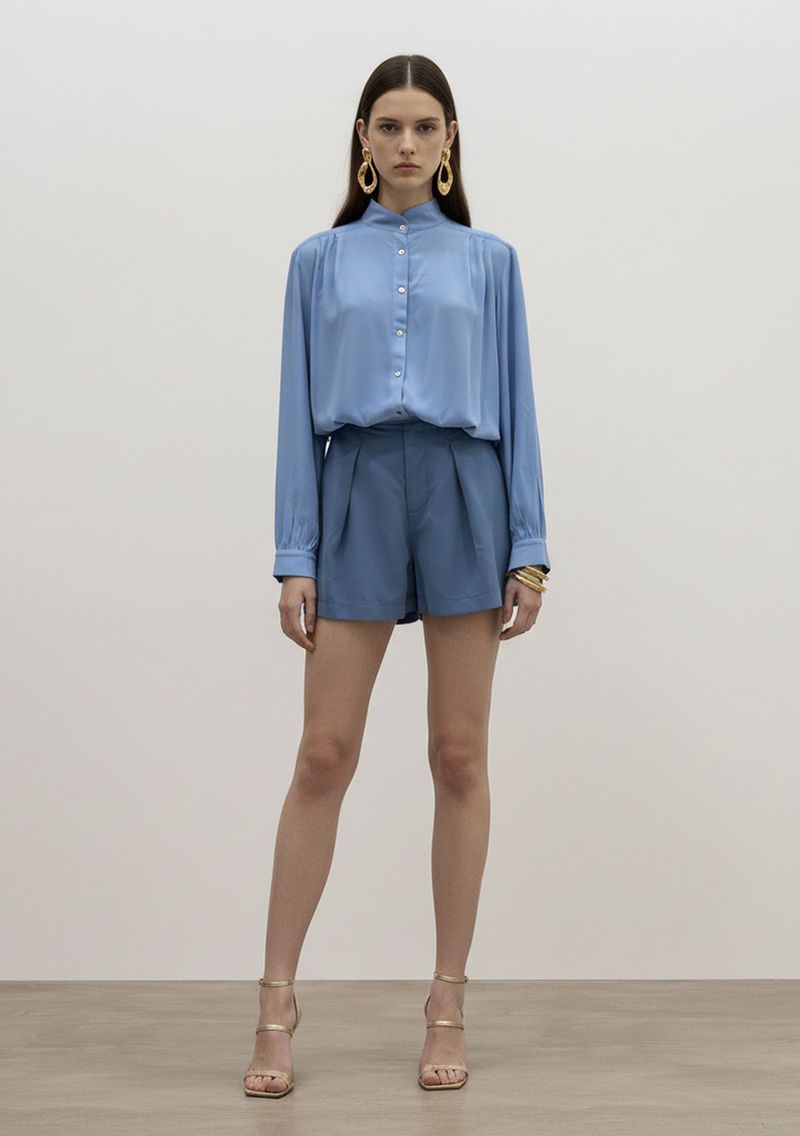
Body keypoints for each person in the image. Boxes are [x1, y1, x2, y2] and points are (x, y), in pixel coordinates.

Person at [243, 53, 551, 1099]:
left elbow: (517, 404)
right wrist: (295, 553)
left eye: (425, 126)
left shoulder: (492, 261)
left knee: (458, 754)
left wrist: (528, 544)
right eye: (389, 125)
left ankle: (447, 1000)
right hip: (356, 488)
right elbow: (295, 414)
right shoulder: (318, 261)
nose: (407, 143)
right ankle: (275, 1001)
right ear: (363, 139)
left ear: (450, 137)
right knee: (323, 752)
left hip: (467, 491)